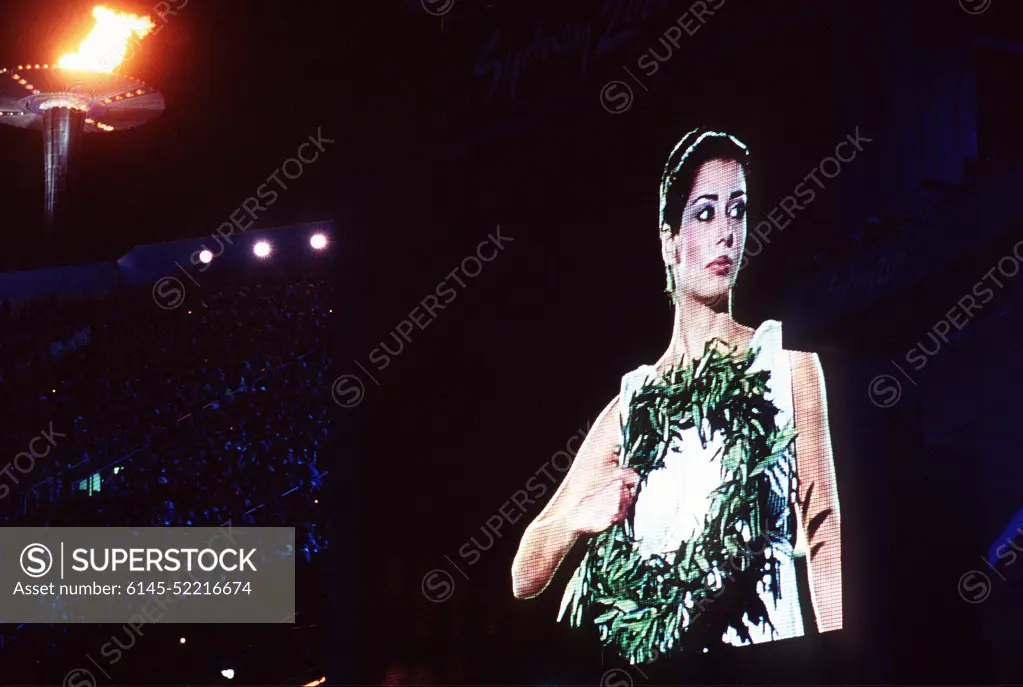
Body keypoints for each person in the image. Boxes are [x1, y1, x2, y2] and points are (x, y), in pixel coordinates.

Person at [510, 128, 842, 645]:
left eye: (738, 209)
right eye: (705, 213)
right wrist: (580, 517)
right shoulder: (633, 405)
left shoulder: (788, 368)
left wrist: (842, 665)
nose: (726, 232)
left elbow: (823, 533)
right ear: (669, 241)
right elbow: (523, 575)